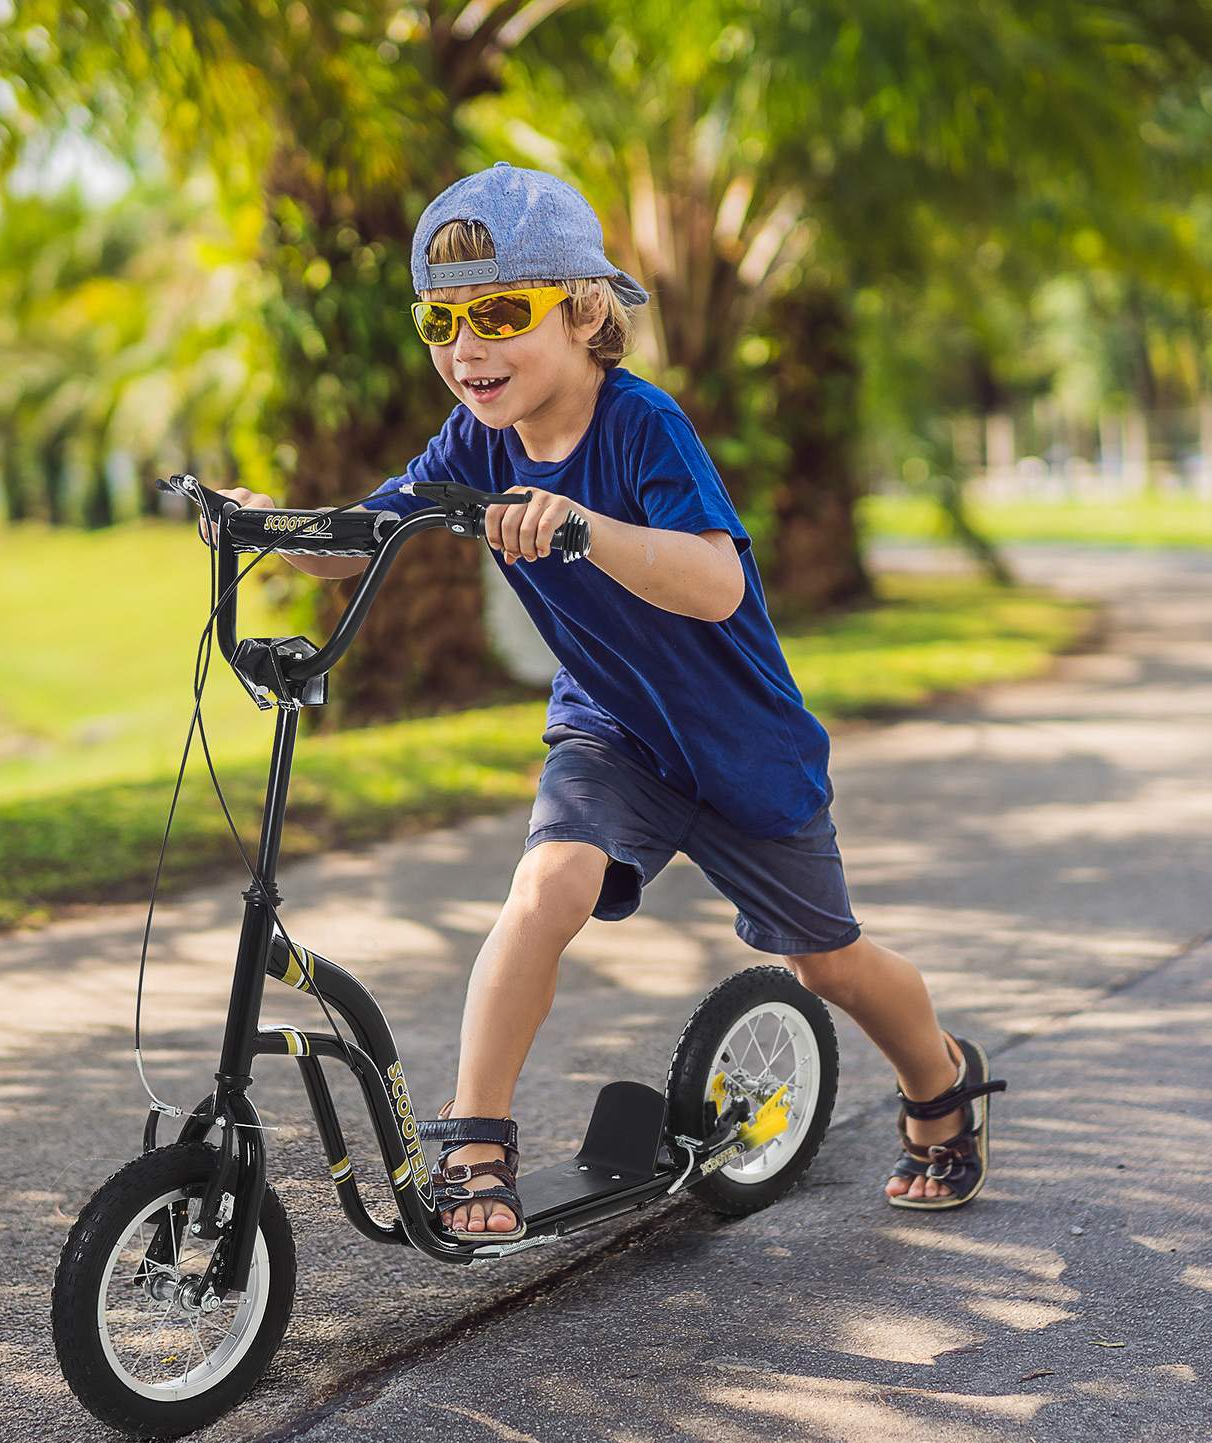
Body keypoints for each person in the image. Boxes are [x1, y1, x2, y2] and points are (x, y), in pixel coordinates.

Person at [205, 162, 1005, 1242]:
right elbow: (364, 539)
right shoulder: (475, 442)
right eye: (439, 320)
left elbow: (716, 581)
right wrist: (274, 525)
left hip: (739, 746)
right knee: (548, 886)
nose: (465, 348)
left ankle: (940, 1084)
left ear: (584, 313)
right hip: (612, 729)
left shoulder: (641, 426)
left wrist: (582, 525)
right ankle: (475, 1138)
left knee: (827, 961)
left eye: (498, 313)